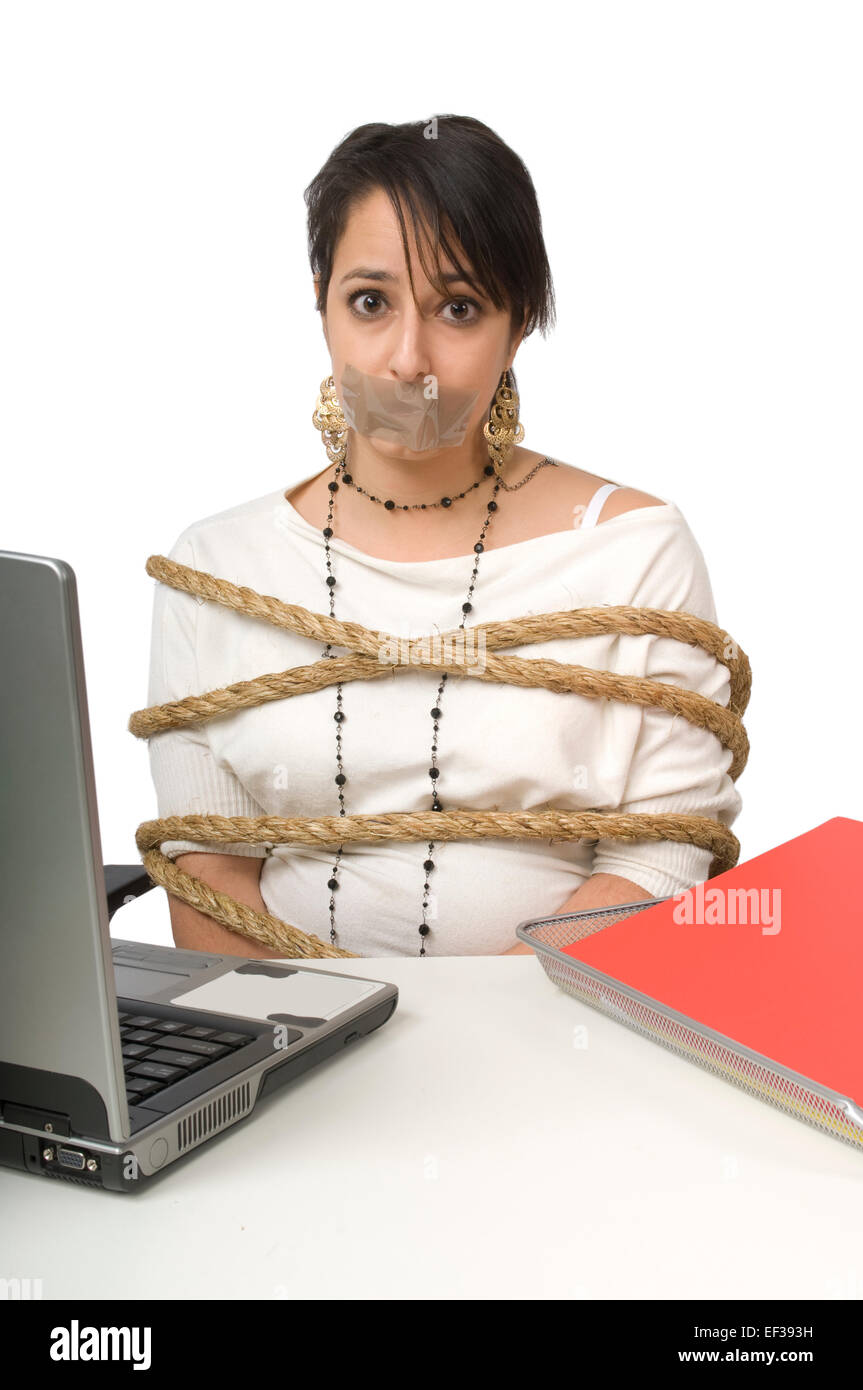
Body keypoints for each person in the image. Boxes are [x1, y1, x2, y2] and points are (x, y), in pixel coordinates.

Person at [146, 115, 742, 959]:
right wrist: (310, 1054)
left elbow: (663, 855)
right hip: (288, 1057)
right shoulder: (213, 569)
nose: (405, 360)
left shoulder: (636, 552)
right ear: (319, 297)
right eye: (369, 302)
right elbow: (208, 874)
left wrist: (475, 1044)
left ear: (520, 318)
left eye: (457, 308)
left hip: (556, 1052)